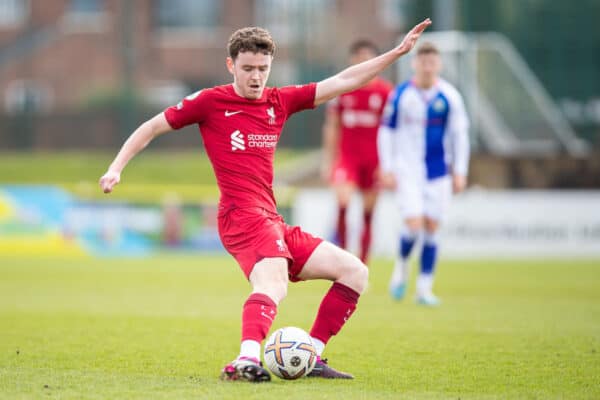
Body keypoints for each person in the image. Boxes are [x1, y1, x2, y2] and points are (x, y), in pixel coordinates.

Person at [99, 19, 431, 382]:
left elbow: (343, 81)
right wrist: (116, 168)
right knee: (273, 284)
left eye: (263, 69)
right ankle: (244, 360)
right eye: (247, 69)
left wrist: (397, 54)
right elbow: (151, 126)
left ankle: (311, 355)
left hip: (271, 219)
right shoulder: (210, 102)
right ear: (231, 66)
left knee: (355, 272)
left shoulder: (279, 101)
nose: (256, 77)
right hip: (241, 217)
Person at [378, 42, 469, 306]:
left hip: (438, 171)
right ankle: (402, 268)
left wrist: (460, 171)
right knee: (414, 225)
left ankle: (424, 289)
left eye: (432, 62)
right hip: (407, 171)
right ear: (414, 64)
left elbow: (459, 136)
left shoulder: (450, 97)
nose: (428, 67)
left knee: (432, 227)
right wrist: (387, 167)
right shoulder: (401, 95)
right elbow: (387, 132)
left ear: (438, 65)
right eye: (423, 62)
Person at [321, 40, 393, 264]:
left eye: (367, 57)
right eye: (358, 57)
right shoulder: (342, 89)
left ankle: (363, 265)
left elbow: (393, 132)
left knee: (368, 214)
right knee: (343, 204)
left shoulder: (386, 92)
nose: (363, 62)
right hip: (347, 159)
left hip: (375, 161)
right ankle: (343, 263)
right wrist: (328, 161)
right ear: (352, 60)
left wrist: (389, 166)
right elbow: (332, 126)